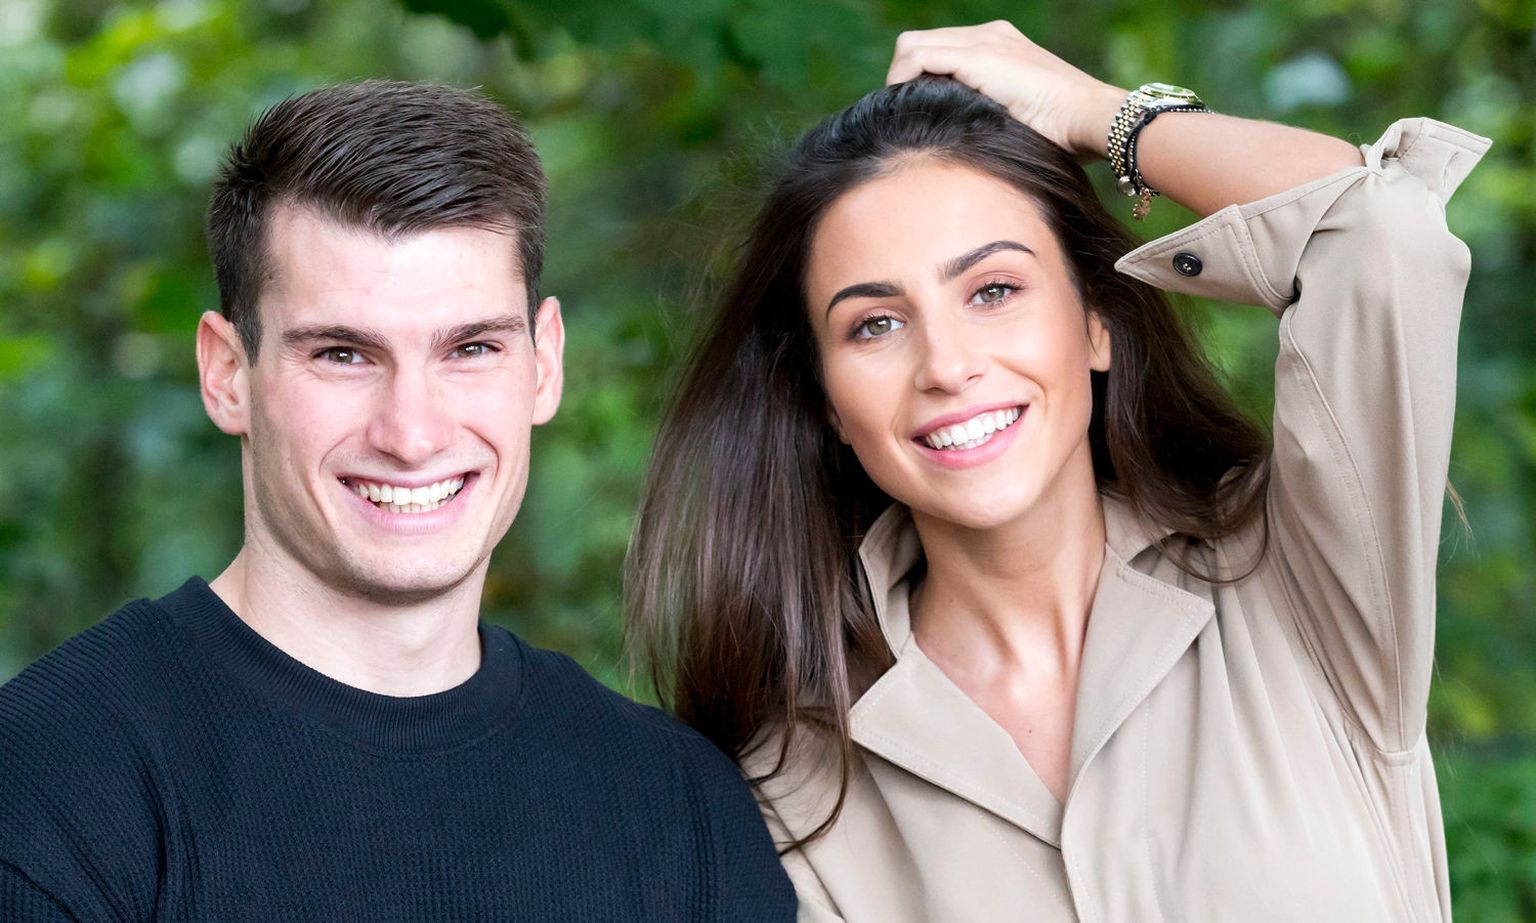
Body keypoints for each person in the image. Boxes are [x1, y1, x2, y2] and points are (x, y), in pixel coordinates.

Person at [627, 22, 1489, 921]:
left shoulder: (1299, 578)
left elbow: (1380, 230)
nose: (946, 365)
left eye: (993, 290)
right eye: (875, 324)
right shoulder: (791, 792)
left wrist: (1100, 113)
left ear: (1096, 323)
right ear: (830, 403)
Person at [0, 80, 794, 921]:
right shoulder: (51, 779)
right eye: (342, 354)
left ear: (545, 363)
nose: (412, 434)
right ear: (228, 373)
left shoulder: (680, 805)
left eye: (471, 348)